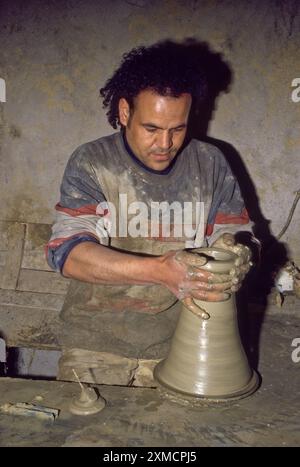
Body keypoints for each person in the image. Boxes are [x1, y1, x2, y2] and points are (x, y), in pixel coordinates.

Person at [46, 41, 253, 325]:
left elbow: (238, 234)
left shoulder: (210, 162)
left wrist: (240, 251)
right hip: (96, 329)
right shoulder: (93, 161)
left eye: (177, 129)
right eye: (151, 128)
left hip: (183, 329)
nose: (165, 144)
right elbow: (68, 254)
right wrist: (160, 270)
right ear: (124, 112)